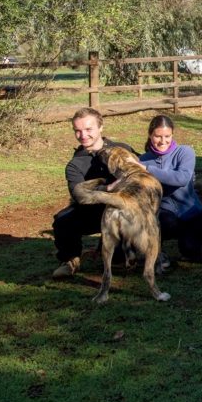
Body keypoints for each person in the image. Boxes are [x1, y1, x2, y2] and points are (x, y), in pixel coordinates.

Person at [52, 108, 135, 277]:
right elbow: (78, 195)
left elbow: (140, 174)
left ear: (100, 127)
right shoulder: (75, 165)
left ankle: (127, 253)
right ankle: (70, 259)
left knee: (118, 260)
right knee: (62, 220)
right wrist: (108, 189)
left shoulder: (122, 149)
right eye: (78, 131)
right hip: (92, 210)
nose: (83, 135)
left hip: (123, 209)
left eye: (88, 129)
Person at [139, 115, 202, 266]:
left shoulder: (184, 152)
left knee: (191, 252)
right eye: (157, 136)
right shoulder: (143, 159)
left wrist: (148, 170)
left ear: (172, 134)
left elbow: (181, 178)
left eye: (167, 136)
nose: (163, 141)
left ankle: (188, 240)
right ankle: (156, 251)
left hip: (190, 212)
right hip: (164, 212)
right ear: (150, 135)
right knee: (163, 221)